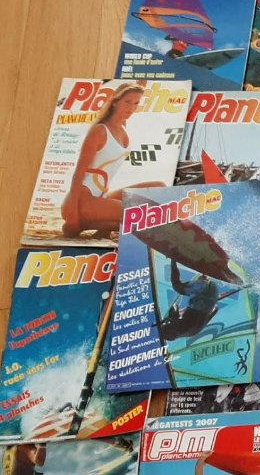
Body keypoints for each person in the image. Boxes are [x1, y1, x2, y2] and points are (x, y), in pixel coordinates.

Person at [61, 83, 165, 239]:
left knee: (160, 187)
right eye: (127, 102)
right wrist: (73, 215)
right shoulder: (100, 131)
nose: (131, 108)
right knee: (143, 216)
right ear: (115, 102)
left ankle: (97, 225)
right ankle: (84, 223)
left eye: (136, 103)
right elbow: (78, 173)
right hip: (82, 201)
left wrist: (141, 82)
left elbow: (137, 86)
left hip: (101, 198)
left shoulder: (122, 127)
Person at [159, 261, 226, 341]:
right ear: (170, 332)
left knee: (197, 293)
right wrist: (169, 318)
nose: (166, 324)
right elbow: (175, 308)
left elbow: (215, 310)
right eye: (166, 325)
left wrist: (213, 302)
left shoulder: (191, 333)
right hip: (201, 294)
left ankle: (205, 278)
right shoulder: (177, 329)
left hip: (214, 293)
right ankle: (173, 261)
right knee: (177, 286)